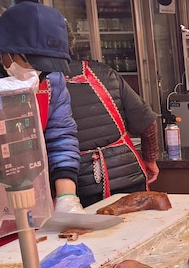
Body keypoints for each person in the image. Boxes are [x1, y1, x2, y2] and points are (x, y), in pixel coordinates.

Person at [0, 2, 82, 224]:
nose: (37, 73)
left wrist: (66, 197)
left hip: (34, 207)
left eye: (45, 67)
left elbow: (60, 135)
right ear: (5, 50)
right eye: (32, 63)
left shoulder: (52, 80)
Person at [63, 54, 160, 207]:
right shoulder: (103, 72)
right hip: (128, 177)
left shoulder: (40, 82)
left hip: (76, 188)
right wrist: (150, 159)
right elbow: (147, 122)